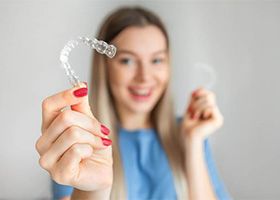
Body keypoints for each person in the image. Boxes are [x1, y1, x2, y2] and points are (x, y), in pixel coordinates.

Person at [36, 6, 230, 200]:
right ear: (104, 66)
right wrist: (92, 189)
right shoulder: (81, 143)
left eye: (156, 60)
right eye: (127, 61)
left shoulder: (190, 136)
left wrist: (193, 142)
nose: (144, 77)